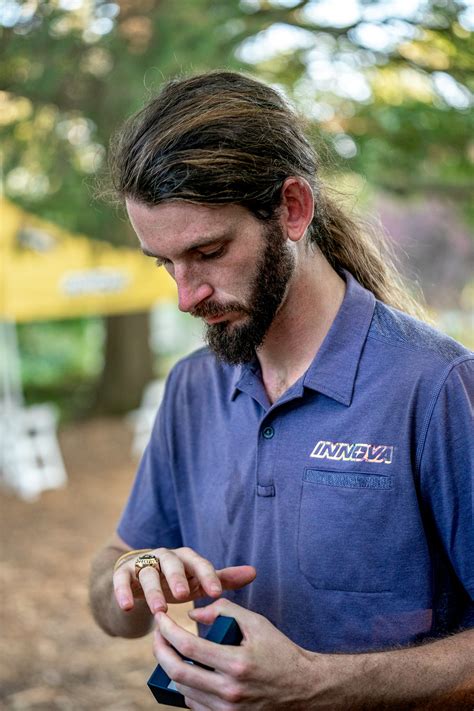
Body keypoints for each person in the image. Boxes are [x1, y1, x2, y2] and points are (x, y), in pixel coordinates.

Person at [89, 71, 473, 709]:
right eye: (165, 264)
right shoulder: (191, 386)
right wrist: (136, 577)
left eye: (208, 252)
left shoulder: (436, 389)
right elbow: (111, 586)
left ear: (292, 208)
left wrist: (317, 685)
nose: (186, 297)